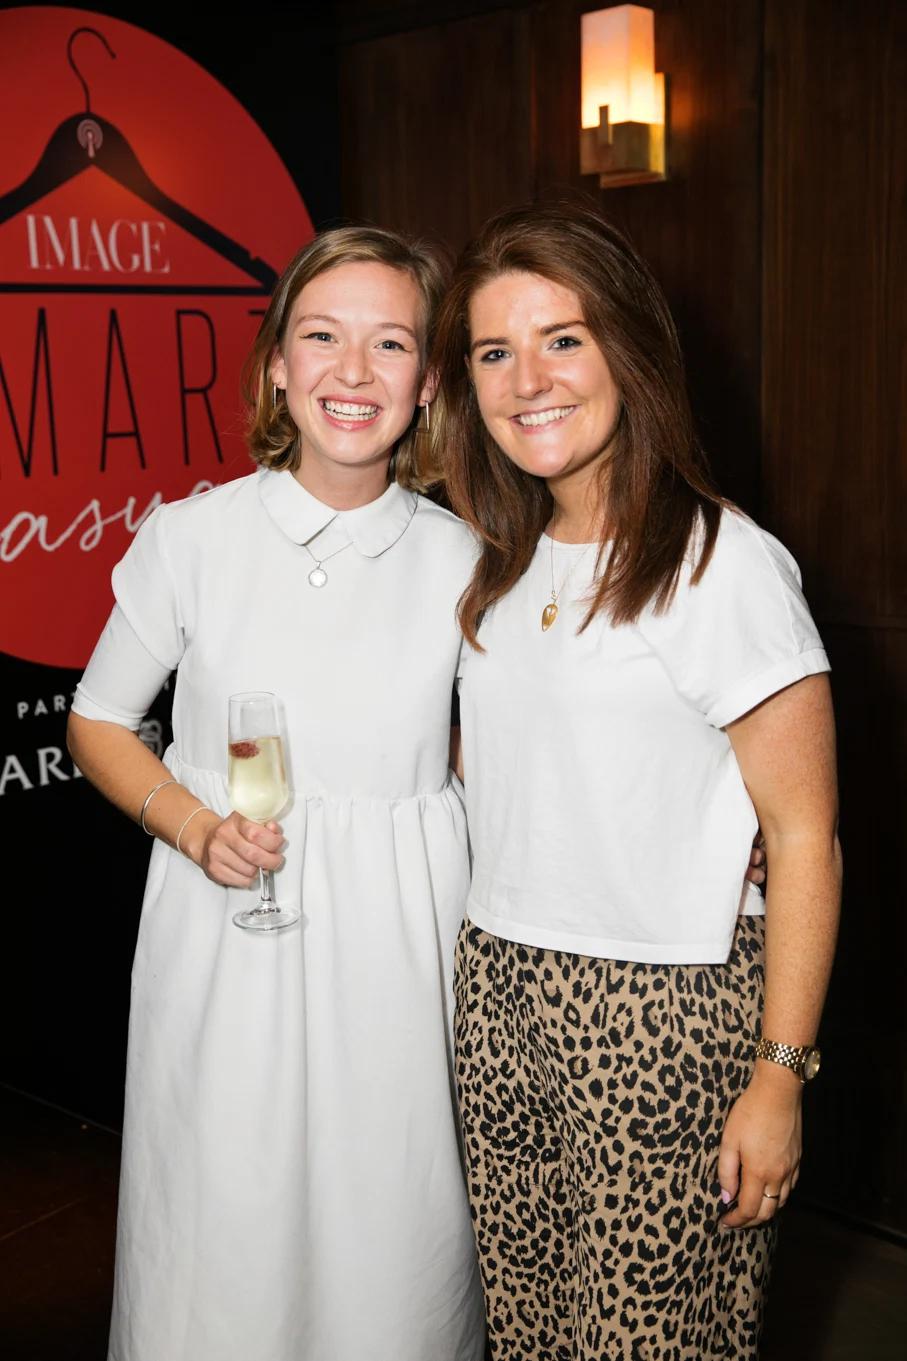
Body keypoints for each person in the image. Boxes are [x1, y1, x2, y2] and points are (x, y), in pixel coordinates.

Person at [66, 227, 486, 1361]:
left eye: (390, 342)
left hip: (400, 951)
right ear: (276, 369)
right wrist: (195, 825)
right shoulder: (192, 539)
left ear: (428, 382)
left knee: (390, 1236)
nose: (353, 371)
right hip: (227, 937)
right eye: (321, 337)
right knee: (225, 1231)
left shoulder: (467, 560)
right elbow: (97, 720)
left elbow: (512, 749)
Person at [432, 201, 842, 1360]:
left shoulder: (720, 563)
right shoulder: (498, 561)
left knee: (649, 1342)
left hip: (662, 1008)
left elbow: (804, 836)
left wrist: (780, 1077)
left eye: (562, 339)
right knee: (527, 1330)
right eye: (494, 351)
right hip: (500, 988)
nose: (527, 380)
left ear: (629, 347)